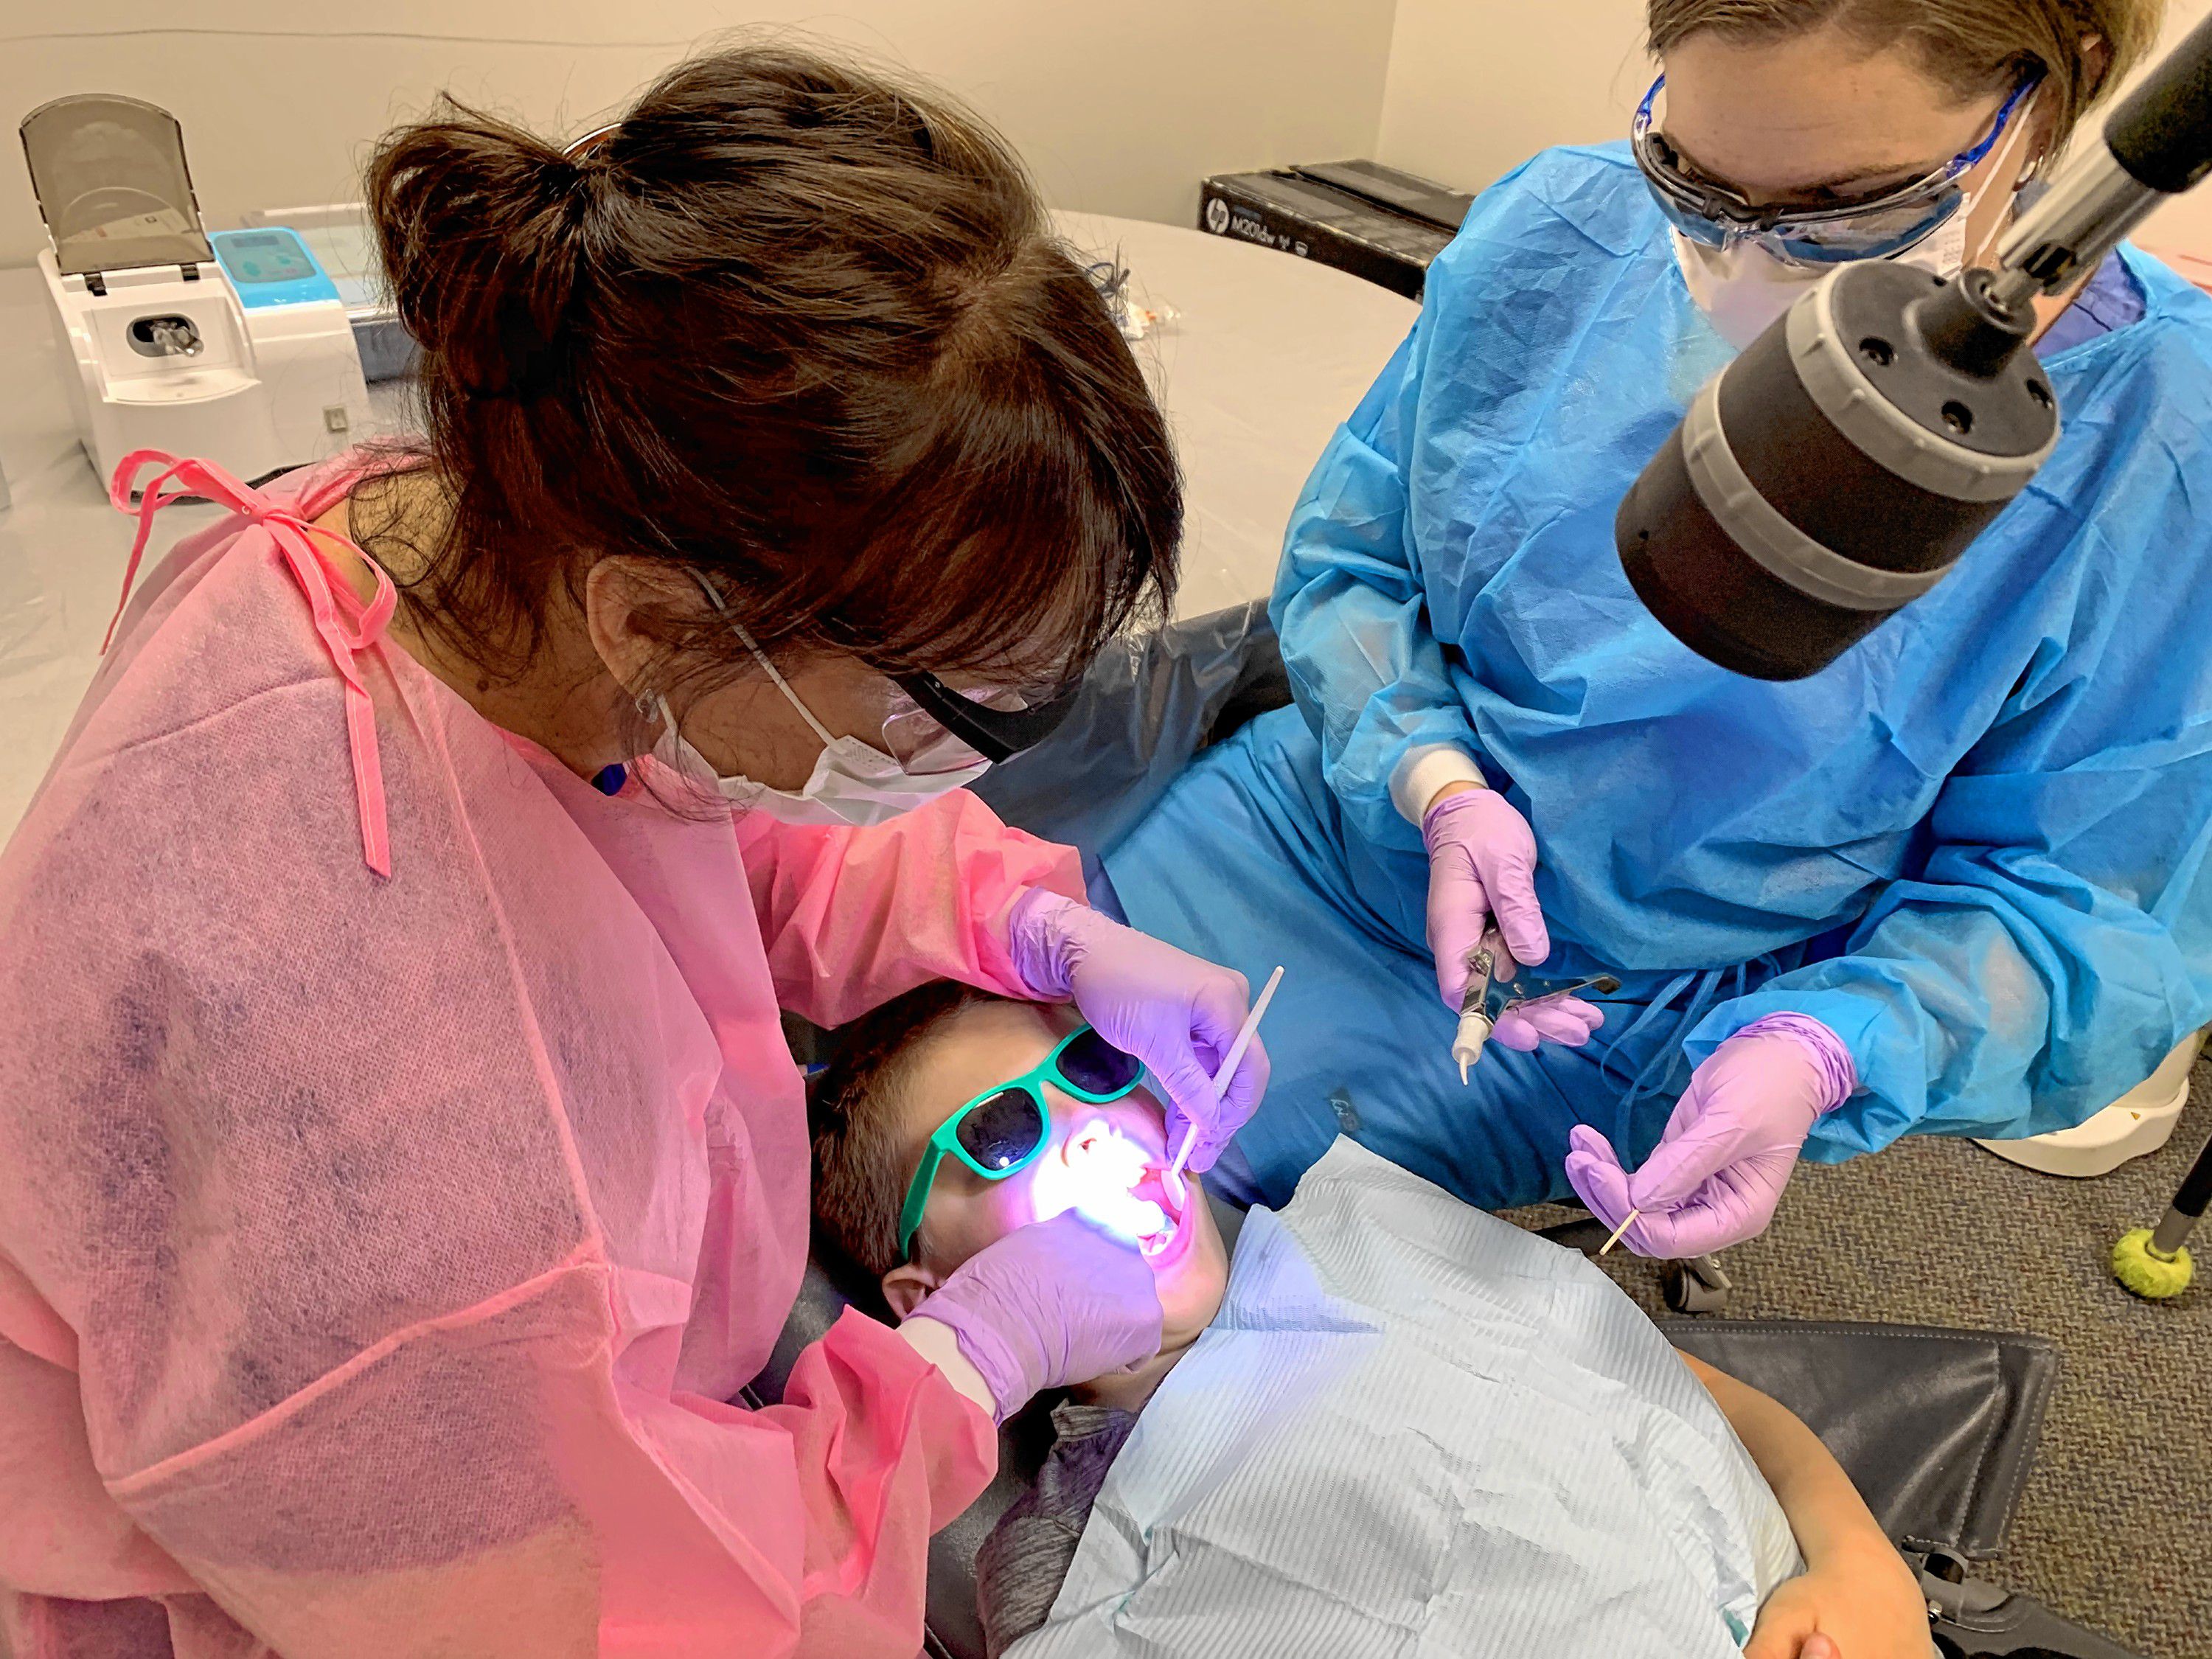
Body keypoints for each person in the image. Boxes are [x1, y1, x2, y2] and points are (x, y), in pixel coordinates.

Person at [0, 48, 1272, 1659]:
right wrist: (960, 1380)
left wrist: (1024, 930)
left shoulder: (494, 555)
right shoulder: (413, 1141)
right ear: (658, 619)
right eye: (952, 710)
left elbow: (688, 815)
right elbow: (606, 1612)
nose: (974, 760)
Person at [1099, 0, 2212, 1255]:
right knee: (978, 1026)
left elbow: (2084, 907)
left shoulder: (2164, 444)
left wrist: (1824, 1048)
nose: (1738, 266)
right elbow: (1357, 558)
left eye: (1841, 210)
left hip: (1614, 1000)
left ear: (2057, 97)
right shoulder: (1562, 232)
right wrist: (1431, 772)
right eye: (1690, 179)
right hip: (1336, 819)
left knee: (1154, 1235)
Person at [807, 982, 1937, 1658]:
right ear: (932, 1294)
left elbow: (1700, 1400)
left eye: (1098, 1068)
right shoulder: (1063, 1566)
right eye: (1002, 1134)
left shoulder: (1377, 1228)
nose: (1097, 1133)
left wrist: (1861, 1564)